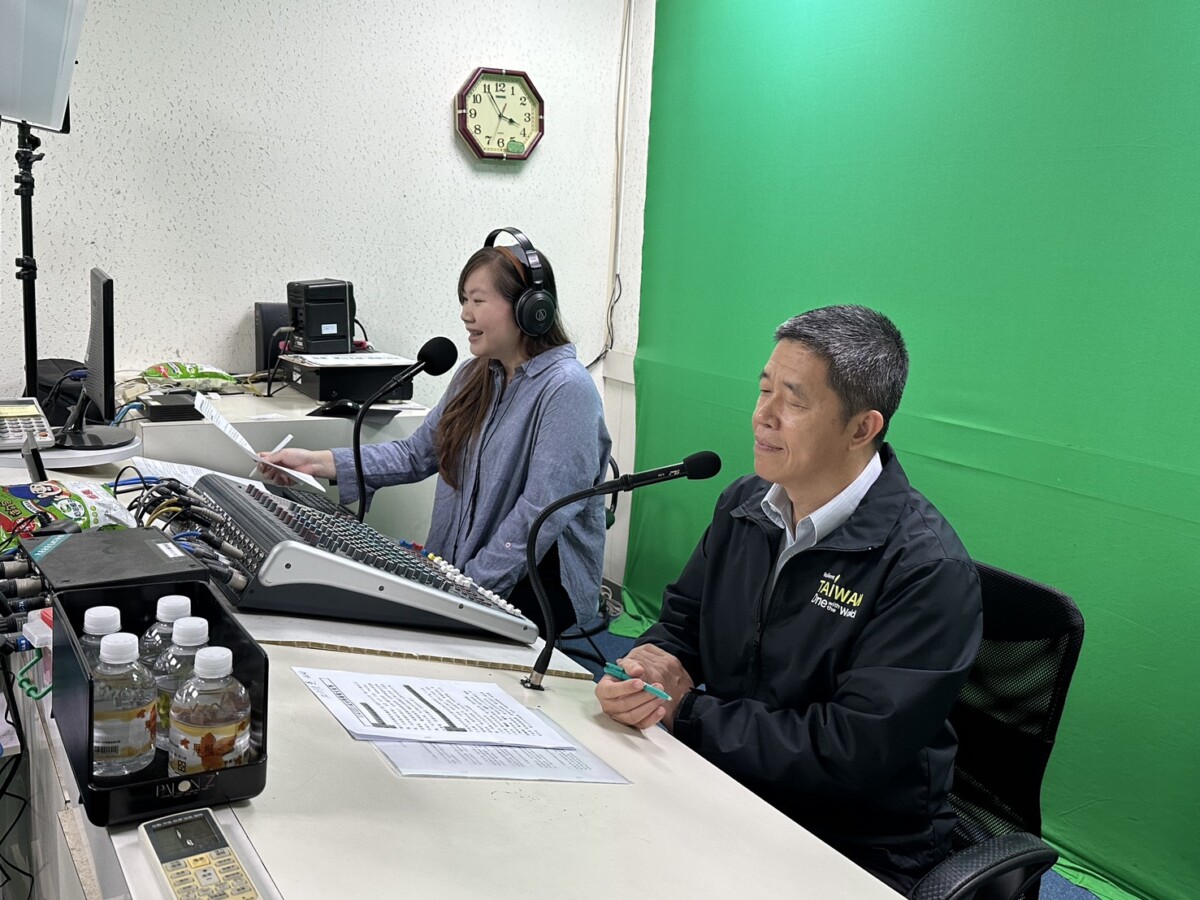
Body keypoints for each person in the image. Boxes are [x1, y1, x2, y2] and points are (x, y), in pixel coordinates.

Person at [595, 305, 982, 893]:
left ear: (862, 428)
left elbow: (849, 751)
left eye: (793, 401)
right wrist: (643, 671)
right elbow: (682, 624)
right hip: (726, 784)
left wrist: (689, 712)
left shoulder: (928, 570)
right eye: (764, 390)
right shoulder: (744, 505)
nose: (763, 416)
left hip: (848, 842)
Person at [259, 229, 611, 636]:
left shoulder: (567, 389)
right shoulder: (474, 375)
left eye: (478, 300)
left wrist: (466, 591)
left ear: (531, 309)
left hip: (535, 578)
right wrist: (316, 463)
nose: (465, 314)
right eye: (463, 300)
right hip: (466, 569)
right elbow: (416, 454)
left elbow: (538, 514)